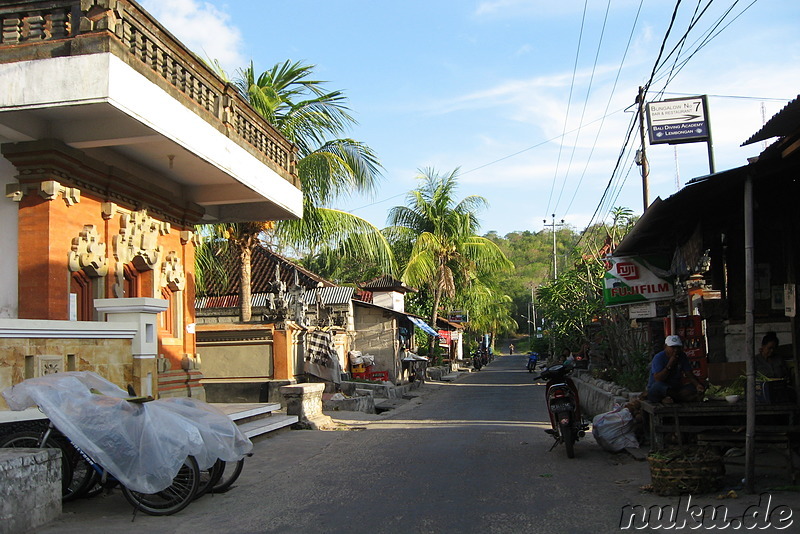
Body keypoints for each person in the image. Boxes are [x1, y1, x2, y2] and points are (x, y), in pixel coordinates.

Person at [647, 335, 706, 403]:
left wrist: (697, 385)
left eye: (678, 347)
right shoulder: (659, 358)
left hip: (675, 388)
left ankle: (677, 397)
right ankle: (679, 398)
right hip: (661, 387)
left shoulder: (682, 356)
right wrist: (670, 364)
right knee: (658, 387)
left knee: (697, 385)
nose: (676, 350)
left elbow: (689, 374)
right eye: (673, 347)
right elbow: (658, 378)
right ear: (665, 347)